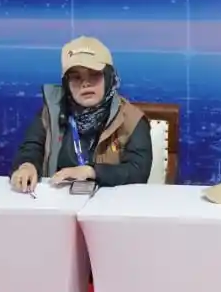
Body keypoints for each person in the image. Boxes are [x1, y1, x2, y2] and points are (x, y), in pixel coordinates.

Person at [10, 37, 153, 192]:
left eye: (94, 74)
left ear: (109, 77)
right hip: (57, 199)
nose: (85, 84)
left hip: (110, 203)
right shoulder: (51, 112)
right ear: (67, 84)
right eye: (76, 77)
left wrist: (92, 172)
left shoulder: (132, 120)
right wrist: (27, 166)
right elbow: (31, 147)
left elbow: (138, 171)